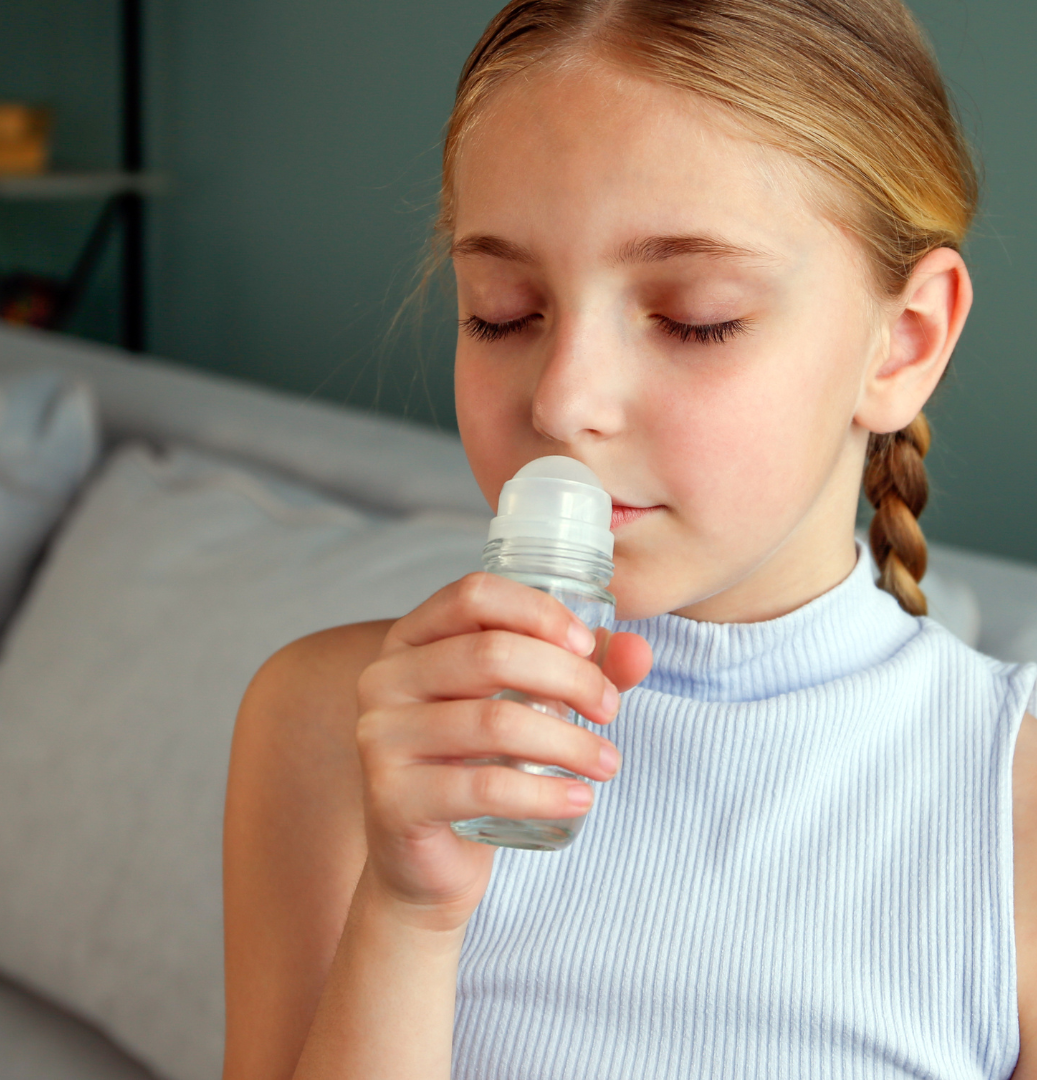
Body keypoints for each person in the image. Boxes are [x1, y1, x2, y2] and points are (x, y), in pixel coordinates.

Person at [221, 2, 1037, 1077]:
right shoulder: (335, 729)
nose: (564, 402)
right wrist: (408, 916)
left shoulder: (1008, 812)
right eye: (503, 312)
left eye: (696, 315)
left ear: (905, 342)